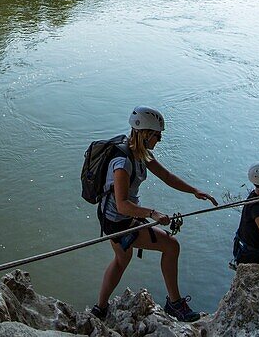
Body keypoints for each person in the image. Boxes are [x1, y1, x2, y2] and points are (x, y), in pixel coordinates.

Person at [90, 106, 218, 323]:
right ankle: (175, 304)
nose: (159, 139)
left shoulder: (140, 153)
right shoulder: (122, 162)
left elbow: (166, 176)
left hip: (114, 217)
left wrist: (194, 191)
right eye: (157, 135)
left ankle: (100, 308)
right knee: (171, 246)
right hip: (118, 220)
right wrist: (152, 213)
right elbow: (122, 205)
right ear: (145, 133)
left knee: (122, 259)